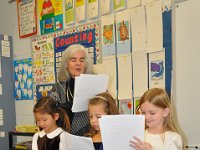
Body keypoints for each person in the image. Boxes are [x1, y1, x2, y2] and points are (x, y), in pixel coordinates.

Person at [50, 44, 93, 136]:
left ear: (86, 65)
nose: (78, 63)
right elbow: (50, 113)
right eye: (73, 60)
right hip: (65, 137)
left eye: (82, 60)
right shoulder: (58, 88)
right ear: (66, 65)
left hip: (91, 137)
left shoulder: (96, 84)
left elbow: (107, 110)